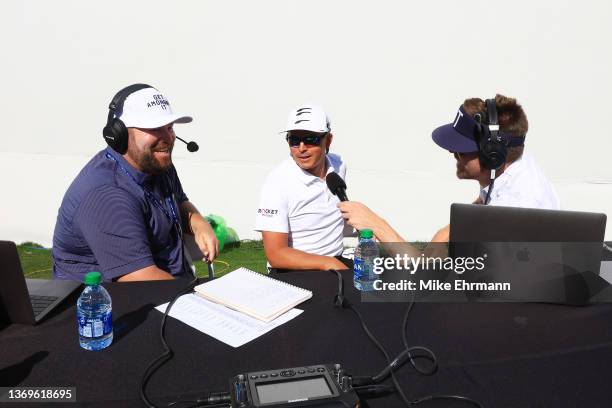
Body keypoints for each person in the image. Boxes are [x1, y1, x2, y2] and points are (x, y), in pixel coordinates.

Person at [339, 94, 560, 243]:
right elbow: (450, 233)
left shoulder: (514, 206)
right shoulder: (515, 162)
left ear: (493, 155)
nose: (453, 154)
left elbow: (422, 270)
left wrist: (375, 224)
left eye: (460, 151)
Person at [52, 84, 218, 282]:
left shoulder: (156, 163)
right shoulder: (107, 194)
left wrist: (198, 222)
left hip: (164, 283)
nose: (167, 138)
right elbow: (141, 278)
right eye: (154, 129)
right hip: (111, 303)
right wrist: (200, 297)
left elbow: (179, 200)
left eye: (169, 128)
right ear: (119, 134)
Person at [255, 104, 352, 271]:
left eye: (310, 139)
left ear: (328, 140)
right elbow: (276, 254)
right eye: (294, 140)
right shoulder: (277, 182)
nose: (301, 148)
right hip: (293, 271)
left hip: (335, 260)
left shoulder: (339, 164)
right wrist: (329, 263)